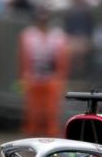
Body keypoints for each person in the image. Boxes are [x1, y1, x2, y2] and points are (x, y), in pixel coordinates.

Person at [19, 9, 70, 137]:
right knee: (33, 112)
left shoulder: (57, 36)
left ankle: (51, 137)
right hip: (33, 78)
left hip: (51, 78)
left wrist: (60, 77)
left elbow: (62, 58)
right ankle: (31, 137)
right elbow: (24, 57)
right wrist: (25, 77)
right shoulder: (29, 35)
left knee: (51, 111)